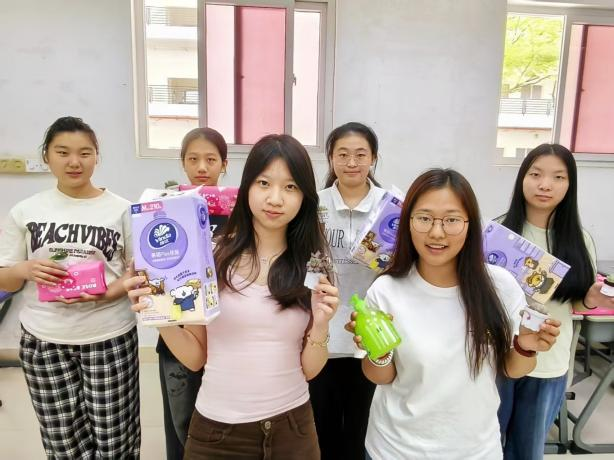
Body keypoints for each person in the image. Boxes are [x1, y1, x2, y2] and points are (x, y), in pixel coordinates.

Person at [126, 134, 340, 459]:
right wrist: (157, 314)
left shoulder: (313, 265)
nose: (275, 198)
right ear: (247, 187)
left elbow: (309, 370)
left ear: (304, 196)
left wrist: (322, 325)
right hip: (217, 434)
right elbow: (195, 357)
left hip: (292, 430)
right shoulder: (213, 257)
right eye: (264, 183)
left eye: (290, 187)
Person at [347, 168, 561, 460]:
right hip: (395, 449)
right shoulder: (386, 290)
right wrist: (378, 353)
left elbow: (511, 370)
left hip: (475, 450)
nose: (437, 232)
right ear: (408, 222)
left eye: (451, 220)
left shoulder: (500, 285)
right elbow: (381, 377)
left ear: (470, 225)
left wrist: (525, 347)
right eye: (424, 218)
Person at [0, 116, 139, 458]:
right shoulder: (25, 211)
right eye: (63, 152)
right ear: (46, 156)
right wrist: (24, 268)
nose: (74, 162)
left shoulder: (122, 209)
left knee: (115, 439)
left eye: (85, 153)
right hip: (44, 339)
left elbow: (137, 272)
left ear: (96, 157)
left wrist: (108, 293)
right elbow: (5, 277)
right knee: (62, 441)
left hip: (109, 336)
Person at [496, 144, 614, 460]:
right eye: (536, 174)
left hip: (548, 362)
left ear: (570, 184)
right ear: (522, 178)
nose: (545, 185)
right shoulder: (498, 232)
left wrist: (591, 300)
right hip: (498, 357)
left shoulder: (579, 240)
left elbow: (577, 303)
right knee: (486, 446)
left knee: (526, 451)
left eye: (558, 177)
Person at [309, 122, 385, 460]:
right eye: (342, 154)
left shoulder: (390, 208)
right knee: (322, 426)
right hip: (323, 334)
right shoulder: (314, 204)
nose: (351, 163)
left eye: (360, 155)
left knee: (362, 427)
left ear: (374, 158)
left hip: (370, 334)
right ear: (330, 158)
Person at [157, 127, 228, 460]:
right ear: (182, 162)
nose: (202, 167)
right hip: (179, 327)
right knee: (181, 423)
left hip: (227, 332)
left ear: (224, 164)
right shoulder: (165, 207)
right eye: (193, 159)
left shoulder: (240, 210)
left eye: (211, 159)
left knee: (223, 426)